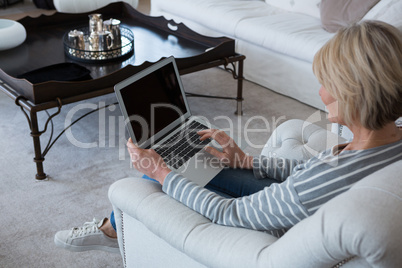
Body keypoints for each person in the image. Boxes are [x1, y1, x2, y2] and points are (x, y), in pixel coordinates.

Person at [54, 20, 402, 252]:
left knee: (157, 167)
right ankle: (117, 223)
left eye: (329, 85)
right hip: (295, 199)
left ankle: (113, 228)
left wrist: (164, 174)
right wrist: (248, 160)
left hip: (276, 223)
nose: (322, 93)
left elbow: (231, 214)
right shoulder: (390, 141)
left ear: (355, 94)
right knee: (189, 156)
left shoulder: (324, 181)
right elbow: (311, 175)